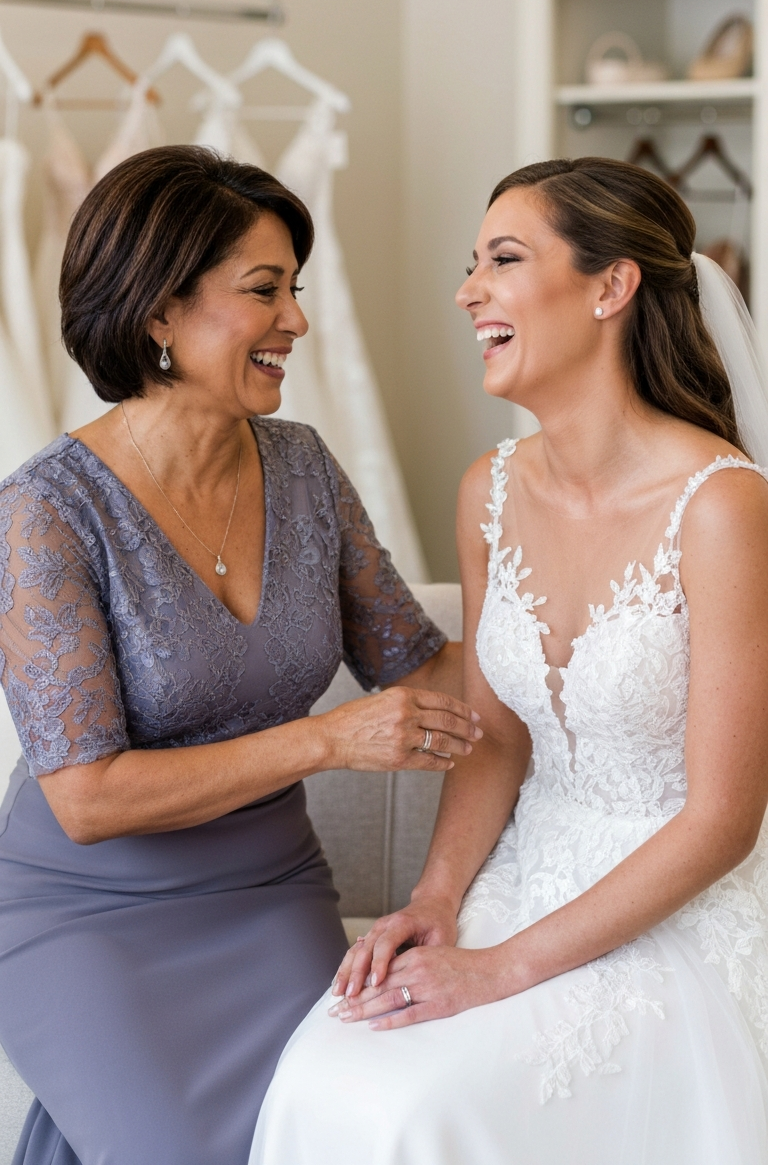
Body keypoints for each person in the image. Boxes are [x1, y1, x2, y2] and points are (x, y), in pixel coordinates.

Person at [251, 157, 768, 1165]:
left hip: (674, 905)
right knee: (328, 1075)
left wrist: (501, 971)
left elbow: (723, 819)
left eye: (504, 259)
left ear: (611, 287)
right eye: (472, 264)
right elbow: (494, 739)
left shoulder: (723, 506)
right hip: (518, 875)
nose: (468, 291)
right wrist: (436, 902)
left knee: (418, 1113)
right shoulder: (488, 488)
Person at [0, 145, 475, 1165]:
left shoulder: (304, 467)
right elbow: (85, 798)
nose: (296, 320)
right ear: (158, 312)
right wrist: (326, 741)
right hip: (88, 911)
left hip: (266, 893)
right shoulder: (44, 510)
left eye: (295, 289)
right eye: (265, 290)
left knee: (316, 1133)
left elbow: (419, 664)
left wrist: (590, 649)